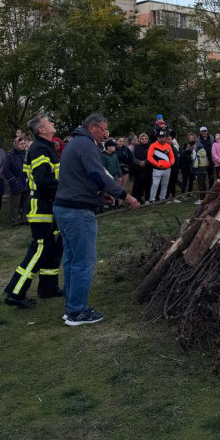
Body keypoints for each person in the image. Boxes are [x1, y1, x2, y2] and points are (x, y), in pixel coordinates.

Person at [53, 113, 140, 326]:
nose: (106, 134)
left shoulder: (77, 143)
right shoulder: (86, 144)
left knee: (72, 260)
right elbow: (98, 174)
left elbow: (83, 178)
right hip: (77, 212)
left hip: (65, 207)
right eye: (103, 129)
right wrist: (124, 195)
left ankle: (71, 307)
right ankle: (77, 312)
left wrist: (101, 196)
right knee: (84, 261)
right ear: (92, 127)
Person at [4, 115, 63, 308]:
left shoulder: (46, 147)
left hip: (49, 206)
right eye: (49, 122)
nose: (53, 123)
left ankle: (48, 288)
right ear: (42, 130)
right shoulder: (39, 149)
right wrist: (66, 190)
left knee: (52, 249)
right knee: (39, 250)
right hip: (42, 207)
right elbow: (44, 180)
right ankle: (15, 292)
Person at [4, 137, 29, 225]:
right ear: (16, 144)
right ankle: (14, 219)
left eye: (24, 143)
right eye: (21, 144)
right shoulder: (10, 155)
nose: (23, 145)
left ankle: (25, 218)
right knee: (15, 203)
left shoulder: (27, 154)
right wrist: (13, 179)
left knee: (26, 202)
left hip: (26, 181)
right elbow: (6, 170)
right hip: (16, 182)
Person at [147, 128, 175, 202]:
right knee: (155, 184)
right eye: (160, 137)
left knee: (165, 185)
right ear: (157, 137)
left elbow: (172, 156)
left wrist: (171, 163)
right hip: (157, 169)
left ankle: (162, 198)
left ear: (165, 137)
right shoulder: (153, 145)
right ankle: (151, 199)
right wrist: (156, 164)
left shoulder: (168, 146)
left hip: (167, 169)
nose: (162, 139)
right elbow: (149, 157)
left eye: (163, 137)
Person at [131, 132, 152, 205]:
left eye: (146, 139)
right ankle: (138, 199)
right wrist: (139, 162)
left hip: (147, 168)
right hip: (138, 168)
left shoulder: (150, 146)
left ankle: (147, 198)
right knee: (138, 184)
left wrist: (145, 162)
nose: (144, 140)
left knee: (147, 184)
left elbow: (151, 156)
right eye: (142, 139)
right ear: (139, 139)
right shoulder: (136, 147)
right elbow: (133, 157)